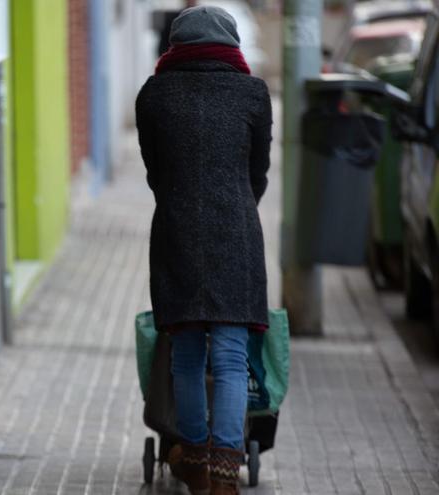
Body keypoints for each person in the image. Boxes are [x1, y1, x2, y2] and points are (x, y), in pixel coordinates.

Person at [135, 6, 272, 495]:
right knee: (232, 357)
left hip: (176, 232)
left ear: (176, 45)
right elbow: (258, 173)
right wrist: (234, 205)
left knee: (187, 354)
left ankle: (192, 459)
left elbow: (155, 172)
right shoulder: (253, 93)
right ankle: (223, 473)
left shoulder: (154, 95)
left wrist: (180, 205)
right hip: (237, 232)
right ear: (231, 43)